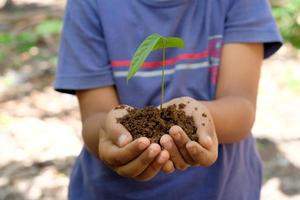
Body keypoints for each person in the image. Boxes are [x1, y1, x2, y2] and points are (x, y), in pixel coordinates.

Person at [55, 0, 282, 199]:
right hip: (113, 192)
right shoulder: (89, 4)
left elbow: (241, 107)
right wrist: (112, 134)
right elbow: (95, 118)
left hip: (222, 189)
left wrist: (198, 117)